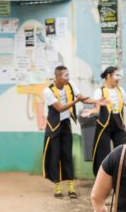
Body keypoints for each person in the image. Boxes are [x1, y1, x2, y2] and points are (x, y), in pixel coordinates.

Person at [42, 65, 102, 199]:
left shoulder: (70, 85)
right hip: (54, 127)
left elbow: (82, 97)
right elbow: (60, 108)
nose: (68, 77)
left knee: (67, 155)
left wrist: (97, 101)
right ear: (58, 77)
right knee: (55, 156)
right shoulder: (48, 91)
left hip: (66, 125)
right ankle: (57, 187)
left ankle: (70, 186)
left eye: (68, 75)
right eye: (65, 75)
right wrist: (76, 101)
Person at [81, 67, 126, 175]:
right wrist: (90, 112)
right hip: (104, 126)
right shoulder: (99, 91)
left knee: (122, 153)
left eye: (119, 76)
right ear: (108, 76)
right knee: (103, 155)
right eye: (116, 75)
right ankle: (103, 179)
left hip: (118, 125)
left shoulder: (120, 90)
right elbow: (96, 109)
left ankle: (121, 178)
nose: (118, 78)